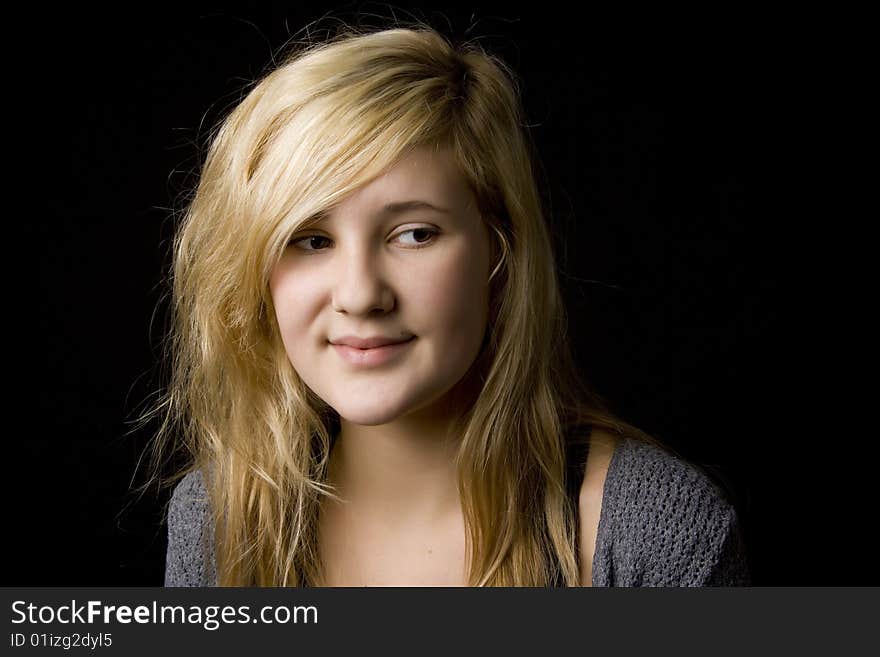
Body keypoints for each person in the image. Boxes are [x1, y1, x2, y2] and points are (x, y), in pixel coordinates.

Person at [147, 20, 750, 587]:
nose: (360, 295)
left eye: (415, 233)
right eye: (311, 240)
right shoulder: (218, 520)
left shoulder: (649, 529)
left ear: (500, 252)